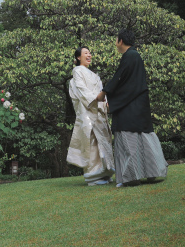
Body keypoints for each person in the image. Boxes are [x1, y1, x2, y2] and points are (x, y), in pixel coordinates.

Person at [96, 29, 167, 187]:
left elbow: (119, 78)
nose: (116, 43)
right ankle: (151, 173)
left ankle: (131, 177)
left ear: (120, 41)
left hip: (129, 106)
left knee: (128, 140)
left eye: (116, 40)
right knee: (144, 138)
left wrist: (104, 93)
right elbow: (127, 82)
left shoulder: (130, 56)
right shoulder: (135, 56)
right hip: (138, 103)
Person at [66, 46, 115, 186]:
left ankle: (105, 172)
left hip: (98, 110)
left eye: (90, 53)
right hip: (89, 110)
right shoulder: (77, 71)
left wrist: (105, 102)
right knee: (92, 142)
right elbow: (81, 91)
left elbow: (102, 91)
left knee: (104, 140)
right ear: (78, 57)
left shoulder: (94, 75)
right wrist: (97, 100)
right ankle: (93, 175)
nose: (89, 55)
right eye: (85, 53)